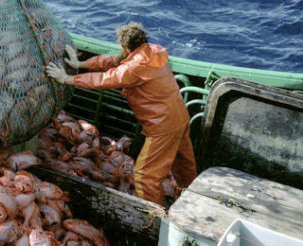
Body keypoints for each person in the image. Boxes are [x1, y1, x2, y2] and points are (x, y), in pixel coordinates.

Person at [46, 22, 197, 207]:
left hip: (162, 127)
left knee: (143, 178)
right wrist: (81, 64)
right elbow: (114, 61)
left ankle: (160, 220)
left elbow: (104, 79)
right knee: (184, 166)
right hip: (180, 118)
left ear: (125, 46)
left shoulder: (134, 68)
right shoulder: (151, 51)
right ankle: (191, 202)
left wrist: (66, 79)